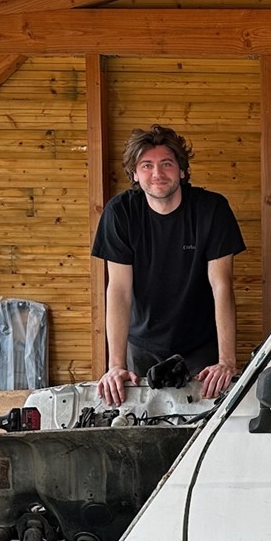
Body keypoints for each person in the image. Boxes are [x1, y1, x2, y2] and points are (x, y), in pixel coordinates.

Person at [93, 126, 245, 404]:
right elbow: (119, 290)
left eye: (166, 164)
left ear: (182, 171)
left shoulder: (211, 210)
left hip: (200, 345)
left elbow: (222, 285)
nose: (157, 174)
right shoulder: (120, 213)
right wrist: (115, 365)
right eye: (146, 166)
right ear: (135, 175)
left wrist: (227, 361)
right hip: (141, 345)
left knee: (203, 417)